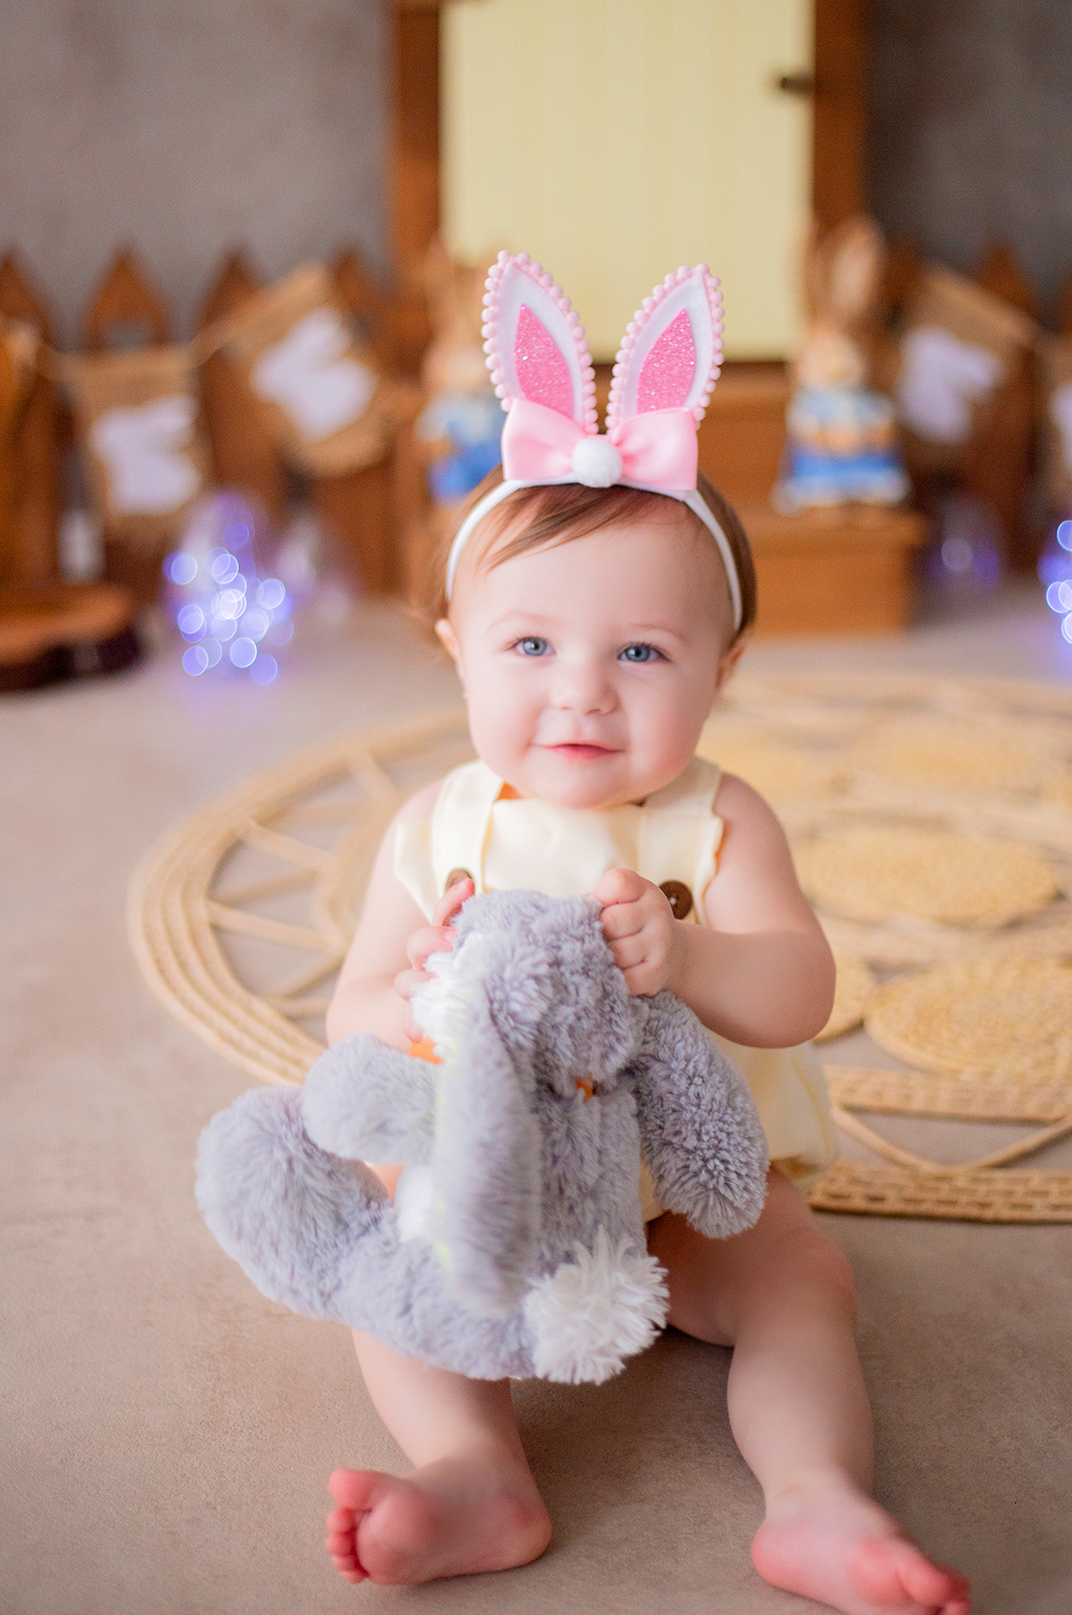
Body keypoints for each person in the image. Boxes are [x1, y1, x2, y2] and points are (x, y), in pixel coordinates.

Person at [321, 254, 971, 1615]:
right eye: (531, 648)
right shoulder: (437, 824)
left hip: (688, 1190)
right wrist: (415, 998)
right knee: (388, 1266)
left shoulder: (718, 820)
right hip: (493, 1178)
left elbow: (801, 987)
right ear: (453, 645)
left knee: (802, 1282)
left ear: (722, 670)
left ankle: (818, 1501)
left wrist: (695, 961)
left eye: (640, 655)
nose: (582, 697)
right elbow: (352, 1010)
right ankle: (472, 1470)